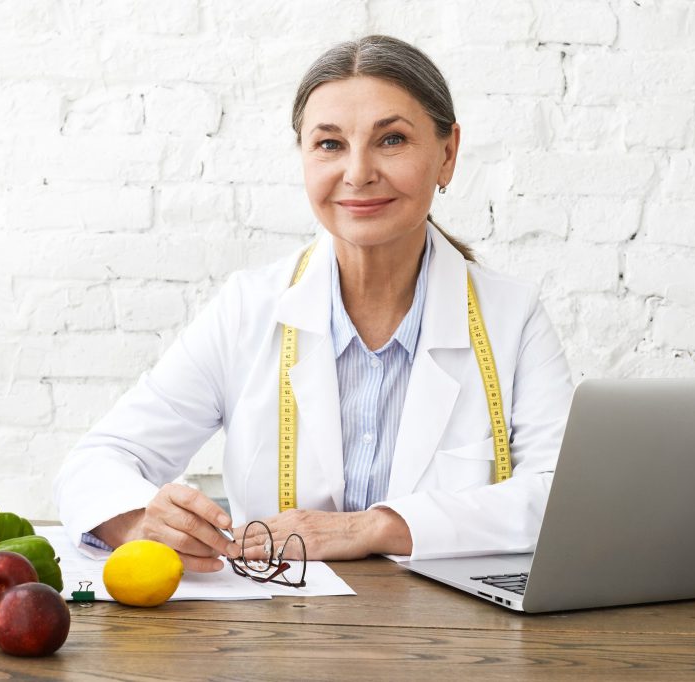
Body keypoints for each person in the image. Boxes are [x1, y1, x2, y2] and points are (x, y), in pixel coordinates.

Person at [53, 35, 574, 572]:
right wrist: (143, 524)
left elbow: (563, 499)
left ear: (447, 154)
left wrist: (372, 528)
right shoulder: (248, 310)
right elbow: (95, 462)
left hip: (453, 646)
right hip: (280, 637)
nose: (358, 172)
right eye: (330, 145)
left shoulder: (512, 320)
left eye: (391, 139)